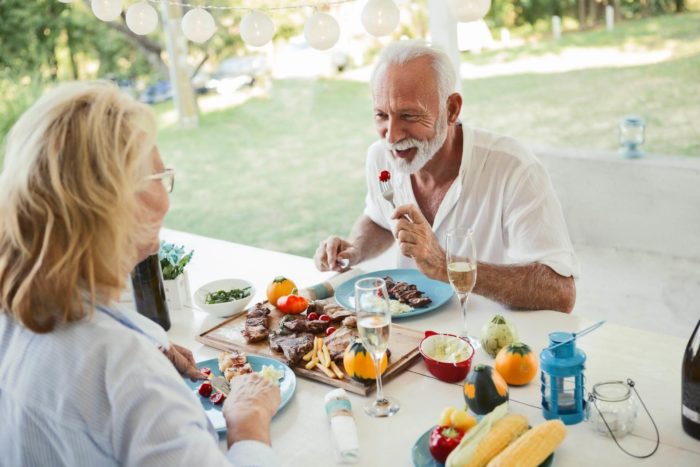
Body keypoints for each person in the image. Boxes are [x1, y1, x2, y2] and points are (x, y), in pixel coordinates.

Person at [0, 82, 280, 465]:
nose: (166, 197)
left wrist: (148, 345)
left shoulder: (15, 317)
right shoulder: (127, 372)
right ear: (110, 205)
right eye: (159, 176)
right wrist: (248, 424)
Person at [314, 41, 579, 313]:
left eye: (409, 115)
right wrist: (355, 249)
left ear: (451, 109)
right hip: (409, 333)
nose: (391, 136)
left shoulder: (514, 168)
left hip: (486, 338)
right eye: (382, 115)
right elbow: (381, 220)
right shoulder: (380, 157)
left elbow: (560, 291)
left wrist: (445, 265)